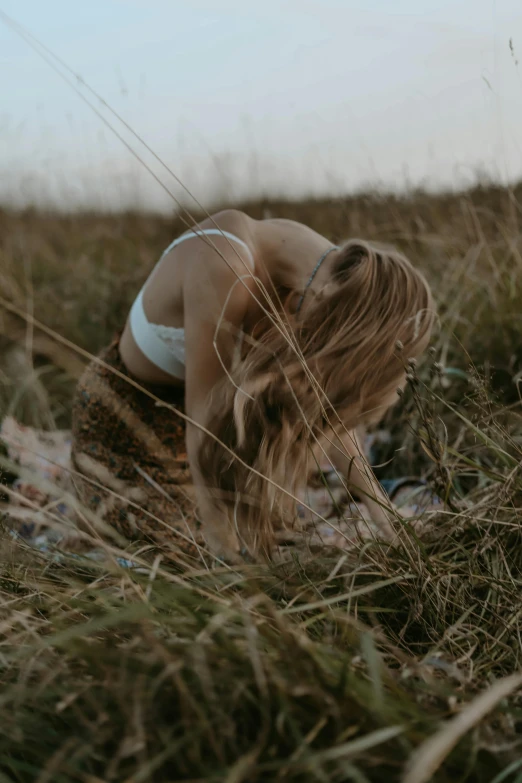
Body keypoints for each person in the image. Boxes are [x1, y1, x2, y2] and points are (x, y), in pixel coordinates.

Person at [71, 209, 435, 563]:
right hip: (121, 423)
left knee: (269, 540)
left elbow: (331, 411)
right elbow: (203, 425)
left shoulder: (330, 273)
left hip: (192, 442)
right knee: (167, 562)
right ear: (330, 305)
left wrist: (385, 518)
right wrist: (224, 557)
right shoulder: (226, 263)